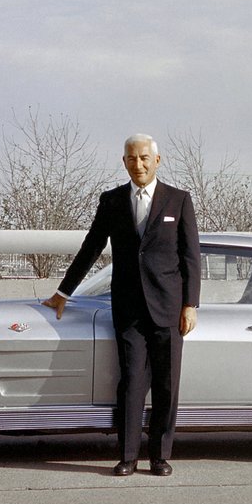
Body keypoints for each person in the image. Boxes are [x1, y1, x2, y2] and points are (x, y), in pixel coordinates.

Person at [43, 134, 201, 477]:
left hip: (169, 309)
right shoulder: (112, 200)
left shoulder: (179, 200)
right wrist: (64, 293)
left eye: (144, 158)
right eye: (132, 159)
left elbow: (191, 257)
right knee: (131, 382)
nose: (138, 164)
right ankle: (127, 456)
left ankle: (160, 456)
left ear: (157, 161)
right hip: (129, 309)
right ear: (124, 161)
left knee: (166, 384)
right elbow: (91, 247)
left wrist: (190, 304)